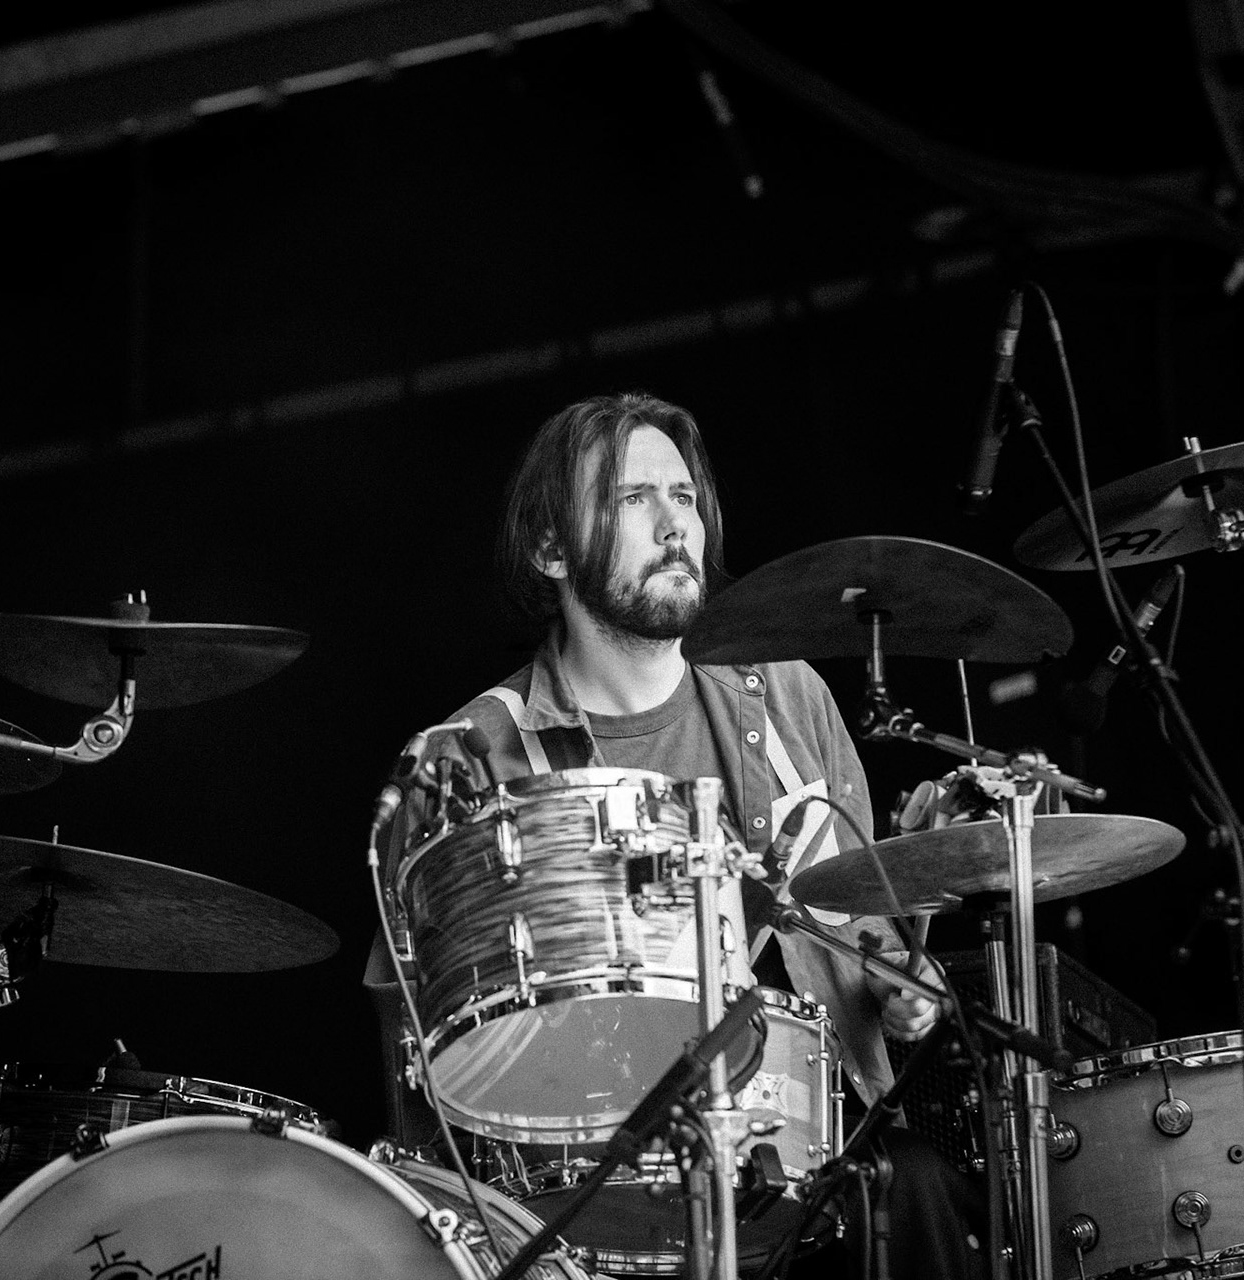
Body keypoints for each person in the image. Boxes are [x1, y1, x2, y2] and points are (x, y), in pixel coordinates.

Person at [367, 391, 982, 1278]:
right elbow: (416, 1032)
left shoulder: (786, 694)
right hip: (582, 1177)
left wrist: (901, 985)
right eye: (631, 499)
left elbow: (866, 928)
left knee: (922, 1184)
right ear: (549, 549)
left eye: (685, 497)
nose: (673, 524)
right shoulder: (471, 755)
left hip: (808, 1158)